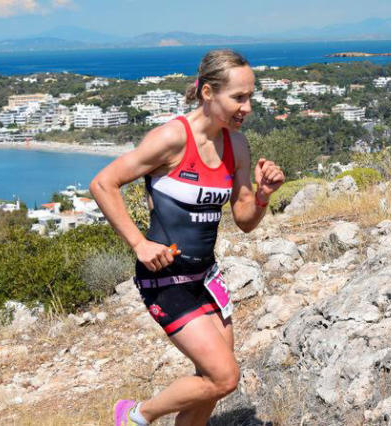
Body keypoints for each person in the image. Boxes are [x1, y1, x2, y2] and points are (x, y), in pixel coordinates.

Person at [89, 49, 285, 426]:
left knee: (211, 385)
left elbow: (245, 220)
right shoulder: (172, 138)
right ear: (208, 93)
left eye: (250, 97)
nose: (247, 108)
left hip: (206, 277)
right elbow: (103, 183)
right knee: (224, 377)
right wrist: (139, 243)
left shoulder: (236, 145)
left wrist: (262, 195)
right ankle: (134, 415)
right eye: (238, 97)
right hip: (165, 278)